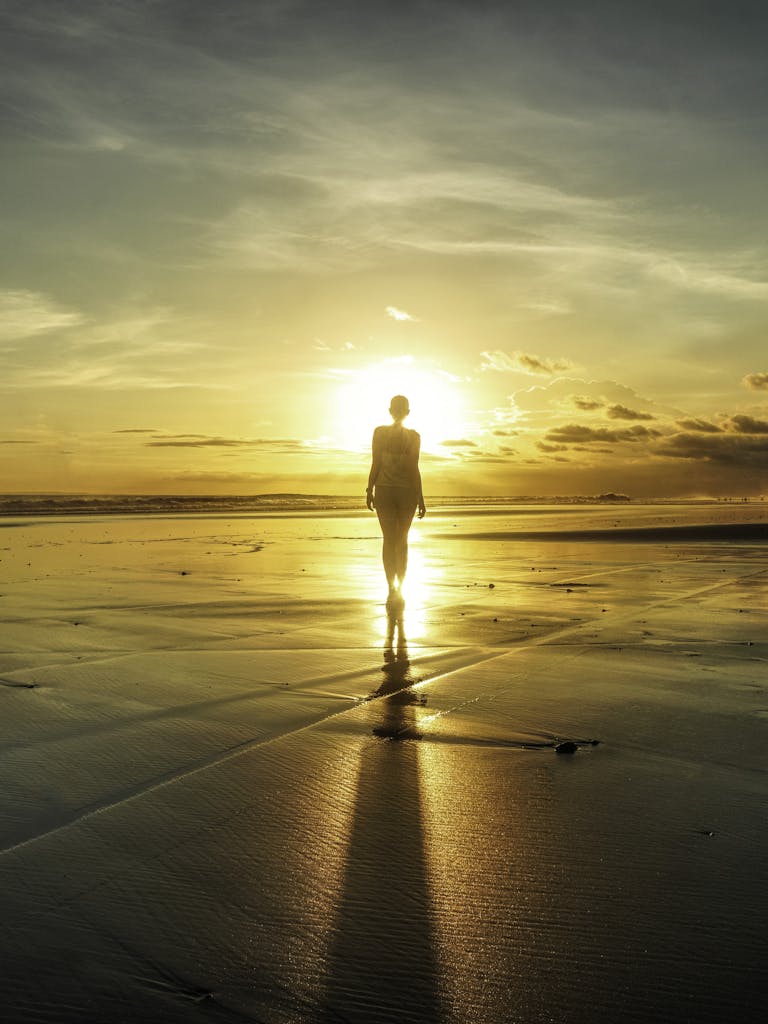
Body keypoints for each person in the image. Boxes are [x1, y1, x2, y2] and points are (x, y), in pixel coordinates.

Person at [366, 395, 426, 600]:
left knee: (391, 539)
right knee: (400, 540)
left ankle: (393, 585)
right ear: (406, 412)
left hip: (387, 491)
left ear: (391, 411)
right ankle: (397, 585)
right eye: (398, 409)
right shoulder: (412, 436)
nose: (399, 412)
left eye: (399, 409)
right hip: (402, 492)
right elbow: (413, 468)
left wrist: (370, 489)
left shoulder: (381, 433)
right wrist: (420, 497)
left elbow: (377, 463)